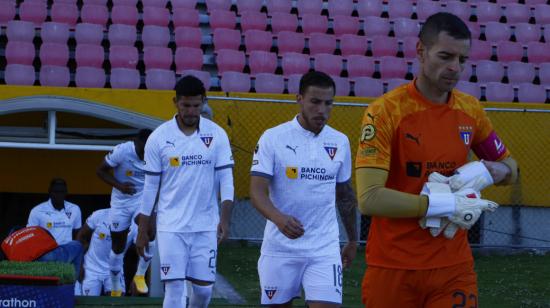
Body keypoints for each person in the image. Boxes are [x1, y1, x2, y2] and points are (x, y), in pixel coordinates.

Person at [355, 13, 519, 307]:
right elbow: (369, 199)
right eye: (445, 56)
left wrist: (492, 169)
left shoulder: (470, 110)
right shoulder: (385, 112)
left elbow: (512, 169)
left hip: (453, 268)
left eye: (462, 59)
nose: (455, 68)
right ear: (420, 51)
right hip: (394, 267)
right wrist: (447, 205)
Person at [250, 71, 358, 308]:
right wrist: (279, 219)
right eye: (315, 102)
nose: (322, 110)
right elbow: (257, 192)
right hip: (280, 248)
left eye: (328, 103)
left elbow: (345, 195)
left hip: (324, 248)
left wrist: (352, 239)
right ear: (299, 99)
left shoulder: (340, 141)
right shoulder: (273, 138)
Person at [136, 75, 235, 308]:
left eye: (196, 105)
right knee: (175, 287)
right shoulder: (158, 138)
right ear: (175, 102)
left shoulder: (217, 134)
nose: (191, 111)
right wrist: (142, 229)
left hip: (205, 225)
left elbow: (227, 180)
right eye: (186, 105)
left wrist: (225, 218)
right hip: (171, 226)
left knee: (203, 292)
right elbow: (150, 187)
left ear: (204, 102)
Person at [96, 129, 154, 296]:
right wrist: (120, 185)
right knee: (117, 247)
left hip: (141, 198)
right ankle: (115, 286)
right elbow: (100, 171)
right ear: (137, 143)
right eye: (143, 151)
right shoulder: (122, 151)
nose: (145, 155)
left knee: (150, 230)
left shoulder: (155, 152)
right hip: (120, 202)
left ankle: (140, 275)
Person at [1, 226, 83, 282]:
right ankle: (71, 284)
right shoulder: (35, 228)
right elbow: (53, 241)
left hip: (26, 267)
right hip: (49, 257)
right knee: (77, 245)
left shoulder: (6, 242)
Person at [27, 178, 82, 245]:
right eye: (56, 192)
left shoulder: (75, 209)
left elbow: (77, 233)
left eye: (62, 192)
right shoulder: (37, 211)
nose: (59, 195)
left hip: (68, 252)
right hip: (47, 252)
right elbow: (30, 235)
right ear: (49, 192)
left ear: (66, 192)